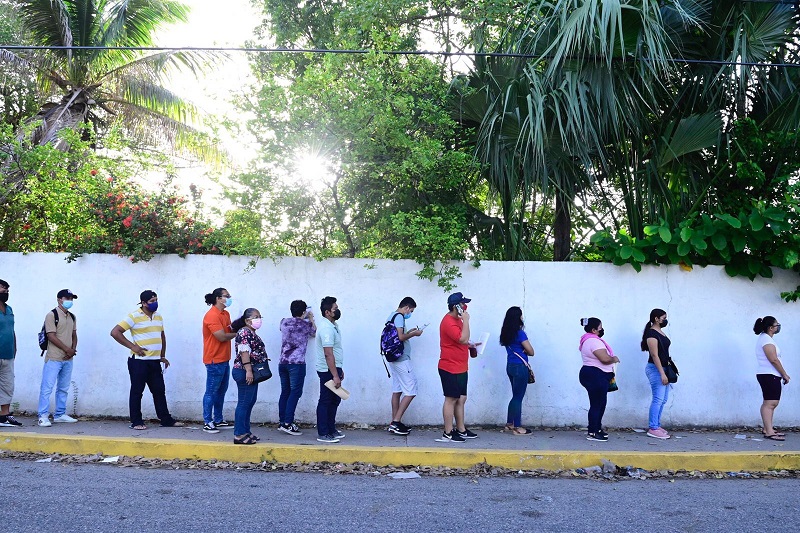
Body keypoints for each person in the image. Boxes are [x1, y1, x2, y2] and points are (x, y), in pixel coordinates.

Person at [110, 290, 184, 430]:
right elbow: (115, 332)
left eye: (156, 300)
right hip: (139, 361)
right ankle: (136, 421)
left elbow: (162, 336)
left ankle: (165, 419)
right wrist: (133, 346)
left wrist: (162, 355)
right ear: (143, 303)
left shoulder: (158, 317)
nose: (155, 303)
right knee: (137, 391)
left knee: (159, 390)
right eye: (151, 301)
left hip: (155, 360)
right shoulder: (134, 316)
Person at [437, 292, 479, 443]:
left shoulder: (458, 320)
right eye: (463, 304)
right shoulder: (448, 322)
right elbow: (462, 338)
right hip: (450, 366)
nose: (465, 307)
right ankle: (448, 433)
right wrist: (466, 320)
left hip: (461, 366)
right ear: (456, 307)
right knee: (451, 399)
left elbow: (464, 339)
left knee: (461, 398)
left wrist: (472, 346)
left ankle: (461, 429)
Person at [37, 289, 79, 427]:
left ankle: (60, 414)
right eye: (67, 298)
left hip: (68, 359)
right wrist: (67, 349)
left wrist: (72, 349)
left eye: (72, 298)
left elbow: (74, 334)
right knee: (47, 387)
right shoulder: (52, 315)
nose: (70, 301)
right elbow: (51, 336)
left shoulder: (72, 316)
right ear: (59, 299)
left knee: (63, 387)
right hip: (54, 357)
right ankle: (43, 416)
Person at [385, 296, 423, 436]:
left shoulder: (391, 316)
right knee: (411, 389)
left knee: (397, 389)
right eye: (411, 310)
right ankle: (396, 421)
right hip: (401, 359)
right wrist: (414, 334)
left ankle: (395, 422)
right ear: (406, 307)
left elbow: (398, 336)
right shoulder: (400, 316)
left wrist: (409, 332)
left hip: (393, 359)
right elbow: (400, 338)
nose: (410, 313)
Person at [277, 300, 316, 436]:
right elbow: (314, 332)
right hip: (297, 363)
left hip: (283, 362)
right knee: (295, 393)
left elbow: (283, 327)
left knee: (285, 392)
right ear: (304, 311)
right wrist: (310, 318)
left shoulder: (284, 322)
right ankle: (288, 423)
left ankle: (282, 421)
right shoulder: (306, 325)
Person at [231, 308, 268, 445]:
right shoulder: (244, 332)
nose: (259, 319)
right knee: (244, 403)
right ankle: (239, 434)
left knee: (249, 402)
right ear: (247, 320)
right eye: (255, 317)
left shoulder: (251, 332)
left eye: (260, 316)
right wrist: (248, 370)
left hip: (251, 371)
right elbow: (244, 351)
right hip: (244, 371)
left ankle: (246, 431)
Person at [578, 317, 619, 442]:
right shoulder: (593, 341)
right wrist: (614, 359)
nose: (602, 329)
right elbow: (604, 358)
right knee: (597, 404)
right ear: (594, 329)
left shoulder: (588, 340)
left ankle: (597, 428)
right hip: (595, 375)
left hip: (595, 374)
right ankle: (593, 432)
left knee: (600, 403)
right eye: (600, 328)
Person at [202, 287, 237, 434]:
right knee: (211, 391)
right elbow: (222, 336)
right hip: (214, 359)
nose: (229, 298)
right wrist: (238, 333)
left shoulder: (225, 313)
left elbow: (228, 331)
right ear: (218, 298)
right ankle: (207, 421)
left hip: (224, 358)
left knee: (221, 391)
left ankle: (218, 419)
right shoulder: (212, 315)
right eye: (226, 296)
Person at [499, 306, 535, 435]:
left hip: (510, 365)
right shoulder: (520, 333)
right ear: (518, 318)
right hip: (520, 366)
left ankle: (510, 423)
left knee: (514, 396)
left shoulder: (506, 333)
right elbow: (531, 351)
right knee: (518, 397)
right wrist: (525, 350)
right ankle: (518, 427)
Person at [754, 316, 790, 441]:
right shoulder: (766, 341)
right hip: (769, 375)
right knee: (770, 403)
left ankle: (767, 428)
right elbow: (773, 359)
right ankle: (769, 432)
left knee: (769, 403)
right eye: (776, 325)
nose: (778, 327)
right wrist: (784, 374)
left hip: (770, 375)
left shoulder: (766, 339)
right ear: (770, 328)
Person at [315, 296, 345, 443]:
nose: (338, 310)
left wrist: (339, 370)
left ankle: (331, 429)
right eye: (335, 309)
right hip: (327, 370)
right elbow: (328, 354)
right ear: (328, 312)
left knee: (335, 399)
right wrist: (335, 375)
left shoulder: (333, 325)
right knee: (326, 400)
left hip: (334, 369)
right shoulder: (326, 329)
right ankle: (323, 432)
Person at [641, 308, 673, 439]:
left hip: (664, 368)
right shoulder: (651, 335)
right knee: (658, 399)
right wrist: (662, 373)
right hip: (656, 369)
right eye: (663, 318)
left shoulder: (660, 332)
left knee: (663, 399)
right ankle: (653, 427)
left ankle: (657, 425)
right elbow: (654, 355)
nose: (665, 320)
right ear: (656, 318)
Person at [0, 279, 21, 427]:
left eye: (7, 290)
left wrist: (15, 347)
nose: (5, 292)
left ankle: (4, 416)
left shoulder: (9, 309)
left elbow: (11, 330)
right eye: (2, 289)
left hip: (8, 354)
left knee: (7, 385)